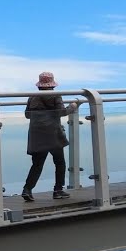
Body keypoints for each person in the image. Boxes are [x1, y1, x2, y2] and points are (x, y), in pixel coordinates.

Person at [22, 72, 80, 201]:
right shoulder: (55, 95)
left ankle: (27, 189)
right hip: (52, 133)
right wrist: (72, 107)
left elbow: (27, 115)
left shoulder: (32, 96)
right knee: (59, 162)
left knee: (37, 164)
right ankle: (58, 190)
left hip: (36, 134)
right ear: (52, 84)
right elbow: (61, 112)